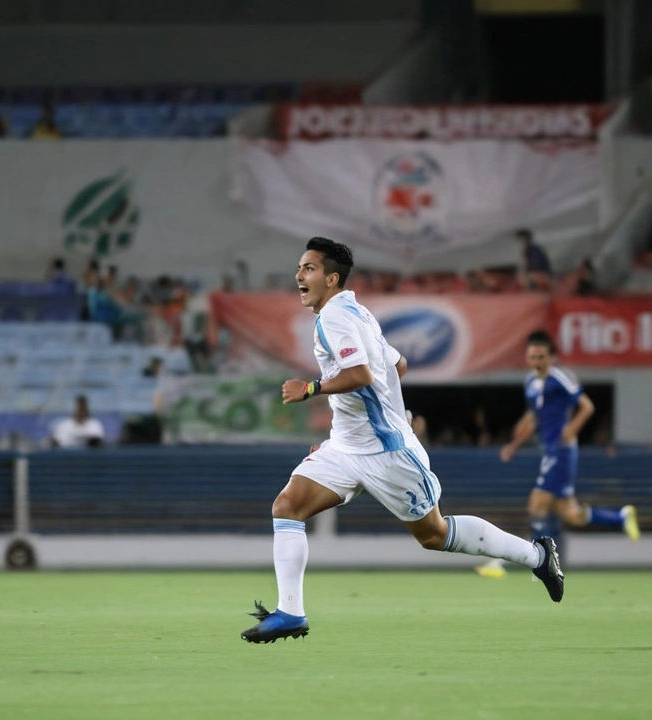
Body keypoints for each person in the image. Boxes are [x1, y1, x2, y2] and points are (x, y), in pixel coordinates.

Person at [241, 237, 564, 644]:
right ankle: (291, 612)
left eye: (309, 269)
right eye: (300, 268)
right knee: (287, 506)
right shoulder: (359, 313)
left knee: (434, 535)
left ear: (332, 278)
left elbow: (361, 375)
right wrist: (353, 428)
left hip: (387, 453)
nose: (299, 275)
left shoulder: (336, 319)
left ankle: (538, 556)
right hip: (347, 447)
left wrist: (310, 388)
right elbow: (400, 365)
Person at [476, 331, 638, 579]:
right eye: (532, 356)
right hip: (549, 451)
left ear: (551, 357)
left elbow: (587, 406)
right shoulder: (531, 383)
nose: (536, 361)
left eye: (541, 356)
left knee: (536, 505)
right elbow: (533, 419)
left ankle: (538, 565)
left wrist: (571, 429)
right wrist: (515, 444)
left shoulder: (559, 378)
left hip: (561, 451)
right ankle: (620, 517)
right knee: (570, 514)